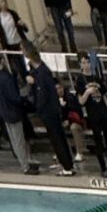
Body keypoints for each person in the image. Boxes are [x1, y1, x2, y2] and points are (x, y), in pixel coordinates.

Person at [0, 50, 40, 174]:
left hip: (2, 111)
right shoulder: (5, 78)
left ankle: (25, 162)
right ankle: (25, 166)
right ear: (2, 61)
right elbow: (14, 97)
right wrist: (25, 99)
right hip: (12, 111)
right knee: (19, 140)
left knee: (15, 140)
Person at [25, 48, 76, 176]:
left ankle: (67, 166)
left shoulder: (42, 73)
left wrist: (38, 109)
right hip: (51, 109)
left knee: (57, 139)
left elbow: (43, 94)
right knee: (59, 138)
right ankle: (67, 164)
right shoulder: (42, 71)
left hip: (49, 111)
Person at [76, 51, 107, 177]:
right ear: (80, 64)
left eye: (88, 62)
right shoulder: (80, 80)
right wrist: (87, 92)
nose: (86, 65)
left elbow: (104, 97)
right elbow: (81, 101)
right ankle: (103, 168)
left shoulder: (97, 78)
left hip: (103, 112)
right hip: (93, 114)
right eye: (83, 62)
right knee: (98, 141)